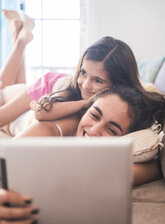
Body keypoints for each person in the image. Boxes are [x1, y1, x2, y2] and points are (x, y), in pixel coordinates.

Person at [0, 84, 164, 224]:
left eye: (112, 130)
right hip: (16, 106)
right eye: (94, 115)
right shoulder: (54, 127)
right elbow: (6, 162)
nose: (94, 130)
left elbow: (153, 168)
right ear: (86, 111)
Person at [0, 10, 163, 137]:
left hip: (27, 89)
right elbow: (40, 113)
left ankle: (18, 32)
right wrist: (85, 103)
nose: (85, 84)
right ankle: (21, 41)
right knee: (3, 98)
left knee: (13, 85)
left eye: (98, 80)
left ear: (118, 85)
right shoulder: (72, 90)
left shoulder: (128, 100)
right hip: (47, 84)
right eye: (83, 72)